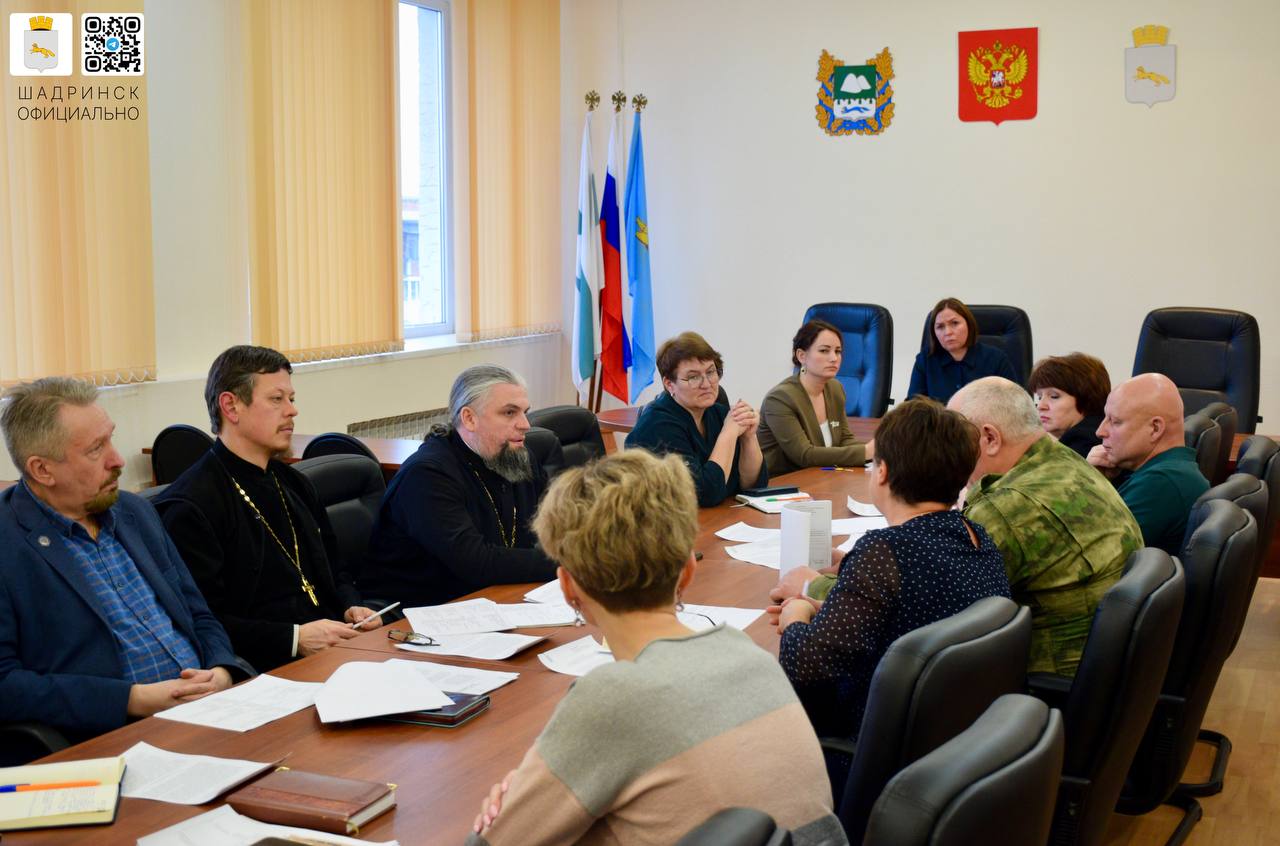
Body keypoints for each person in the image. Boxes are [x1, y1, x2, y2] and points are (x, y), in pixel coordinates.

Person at [467, 449, 846, 846]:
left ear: (567, 588)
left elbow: (493, 842)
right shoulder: (750, 655)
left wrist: (515, 803)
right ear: (688, 571)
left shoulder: (610, 700)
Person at [772, 399, 1010, 787]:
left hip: (874, 757)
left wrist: (796, 615)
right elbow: (917, 608)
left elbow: (807, 668)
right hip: (954, 748)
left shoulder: (886, 551)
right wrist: (829, 606)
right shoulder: (975, 535)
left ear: (881, 472)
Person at [0, 378, 238, 741]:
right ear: (42, 470)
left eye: (110, 438)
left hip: (211, 710)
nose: (117, 459)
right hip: (113, 737)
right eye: (96, 449)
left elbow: (198, 614)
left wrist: (221, 670)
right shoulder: (9, 544)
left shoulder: (134, 512)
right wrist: (132, 700)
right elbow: (5, 684)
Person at [156, 347, 377, 673]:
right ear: (231, 406)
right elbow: (204, 620)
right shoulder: (191, 506)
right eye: (277, 399)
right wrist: (294, 638)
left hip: (337, 647)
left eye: (291, 398)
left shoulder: (294, 483)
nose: (292, 410)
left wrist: (350, 605)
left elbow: (336, 570)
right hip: (268, 669)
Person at [360, 365, 557, 607]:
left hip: (496, 596)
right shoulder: (427, 475)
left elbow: (556, 526)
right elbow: (475, 563)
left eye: (525, 412)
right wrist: (570, 562)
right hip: (418, 611)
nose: (525, 424)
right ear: (469, 418)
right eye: (509, 413)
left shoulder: (517, 457)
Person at [626, 331, 766, 506]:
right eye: (693, 377)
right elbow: (704, 494)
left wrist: (749, 437)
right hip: (667, 521)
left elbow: (754, 486)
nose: (706, 384)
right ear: (670, 384)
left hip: (721, 517)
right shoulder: (657, 425)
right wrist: (728, 434)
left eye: (711, 372)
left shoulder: (718, 413)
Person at [1087, 373, 1209, 554]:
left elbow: (1088, 553)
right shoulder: (1171, 472)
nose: (1100, 431)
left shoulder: (1161, 483)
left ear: (1155, 428)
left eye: (1115, 421)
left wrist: (1087, 482)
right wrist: (1102, 482)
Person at [757, 319, 871, 476]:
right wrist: (865, 452)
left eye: (838, 351)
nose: (834, 358)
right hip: (784, 483)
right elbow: (804, 455)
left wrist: (877, 451)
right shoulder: (779, 399)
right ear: (802, 356)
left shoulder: (835, 389)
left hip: (822, 476)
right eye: (824, 351)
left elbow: (844, 439)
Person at [907, 297, 1017, 404]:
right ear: (934, 332)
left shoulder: (997, 359)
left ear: (969, 324)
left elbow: (1014, 404)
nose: (948, 332)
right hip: (939, 418)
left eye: (955, 323)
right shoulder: (925, 360)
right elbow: (913, 407)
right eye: (940, 327)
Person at [1027, 352, 1110, 457]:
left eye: (1054, 396)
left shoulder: (1085, 441)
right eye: (1039, 397)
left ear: (1087, 398)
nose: (1040, 406)